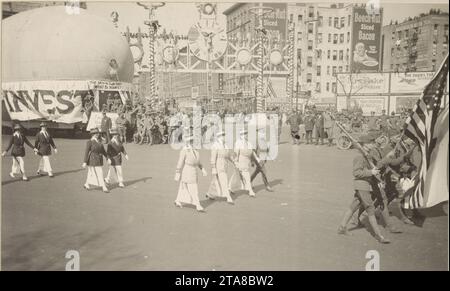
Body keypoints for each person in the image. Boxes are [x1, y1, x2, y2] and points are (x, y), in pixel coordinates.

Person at [337, 133, 391, 244]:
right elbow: (356, 173)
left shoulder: (366, 154)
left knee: (353, 207)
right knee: (370, 209)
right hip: (362, 185)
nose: (373, 143)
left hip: (365, 185)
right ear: (365, 144)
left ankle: (342, 227)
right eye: (371, 142)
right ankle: (379, 236)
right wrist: (371, 172)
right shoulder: (359, 156)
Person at [174, 134, 208, 212]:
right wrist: (177, 173)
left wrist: (202, 169)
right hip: (187, 171)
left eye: (193, 141)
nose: (193, 143)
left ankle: (177, 200)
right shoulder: (184, 150)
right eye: (191, 141)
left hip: (194, 171)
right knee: (193, 188)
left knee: (183, 187)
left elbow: (198, 162)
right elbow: (180, 162)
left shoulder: (196, 151)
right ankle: (198, 205)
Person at [205, 130, 234, 204]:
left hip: (224, 165)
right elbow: (213, 158)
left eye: (224, 135)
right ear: (218, 137)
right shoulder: (215, 145)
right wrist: (213, 168)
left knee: (216, 180)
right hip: (218, 165)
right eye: (222, 135)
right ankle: (228, 196)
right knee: (224, 180)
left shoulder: (225, 145)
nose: (224, 137)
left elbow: (228, 156)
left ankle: (210, 194)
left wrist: (234, 161)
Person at [229, 129, 257, 197]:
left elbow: (252, 153)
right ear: (240, 135)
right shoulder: (238, 143)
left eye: (246, 134)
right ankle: (250, 190)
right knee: (246, 175)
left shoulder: (249, 143)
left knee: (236, 175)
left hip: (246, 162)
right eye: (243, 134)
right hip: (240, 162)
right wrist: (236, 162)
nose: (245, 135)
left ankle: (230, 187)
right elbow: (236, 153)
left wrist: (254, 161)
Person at [82, 128, 109, 193]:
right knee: (99, 172)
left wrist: (107, 158)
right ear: (92, 134)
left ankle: (86, 184)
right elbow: (86, 152)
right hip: (92, 159)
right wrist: (85, 162)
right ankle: (104, 186)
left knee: (90, 173)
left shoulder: (99, 141)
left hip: (99, 159)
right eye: (95, 134)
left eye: (97, 133)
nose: (97, 135)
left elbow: (103, 151)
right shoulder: (89, 142)